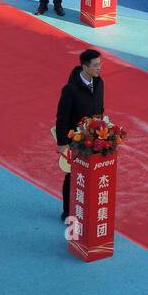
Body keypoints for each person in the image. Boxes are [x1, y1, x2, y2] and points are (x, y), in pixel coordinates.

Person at [54, 49, 105, 222]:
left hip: (95, 138)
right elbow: (62, 117)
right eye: (96, 65)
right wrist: (62, 143)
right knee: (72, 174)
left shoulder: (99, 83)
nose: (100, 68)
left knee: (92, 172)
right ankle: (67, 210)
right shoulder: (70, 90)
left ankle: (87, 206)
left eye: (100, 64)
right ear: (85, 67)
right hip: (75, 140)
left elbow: (100, 108)